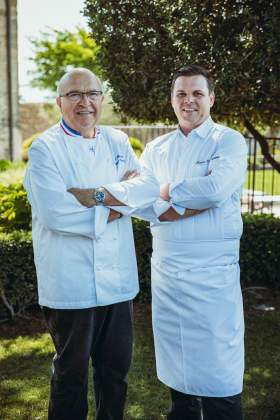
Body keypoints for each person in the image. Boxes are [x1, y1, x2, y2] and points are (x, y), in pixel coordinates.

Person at [23, 67, 159, 420]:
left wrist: (97, 196)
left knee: (115, 375)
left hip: (118, 284)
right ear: (59, 102)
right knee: (70, 377)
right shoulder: (45, 149)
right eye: (74, 95)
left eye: (92, 94)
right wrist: (119, 204)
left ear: (102, 99)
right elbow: (57, 214)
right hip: (71, 285)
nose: (85, 102)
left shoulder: (116, 141)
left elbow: (146, 190)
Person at [138, 65, 247, 420]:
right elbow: (143, 202)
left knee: (221, 376)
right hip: (169, 276)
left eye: (197, 93)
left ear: (211, 98)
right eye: (181, 94)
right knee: (179, 377)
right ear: (171, 100)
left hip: (213, 276)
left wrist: (168, 191)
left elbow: (215, 191)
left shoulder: (227, 140)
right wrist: (178, 201)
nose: (189, 101)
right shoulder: (156, 149)